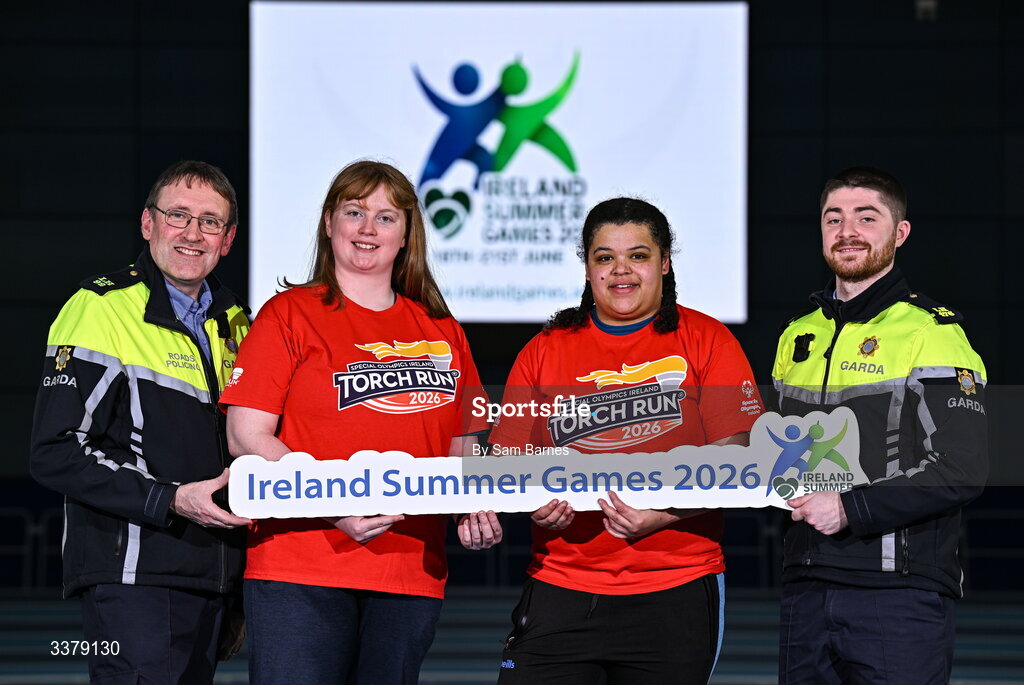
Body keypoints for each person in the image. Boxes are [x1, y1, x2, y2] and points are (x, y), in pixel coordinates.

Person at [220, 160, 502, 684]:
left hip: (410, 568)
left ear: (406, 234)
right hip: (300, 563)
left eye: (385, 217)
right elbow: (245, 436)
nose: (368, 228)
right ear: (330, 224)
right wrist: (334, 503)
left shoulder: (443, 331)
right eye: (354, 212)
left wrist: (475, 505)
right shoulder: (288, 314)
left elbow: (465, 444)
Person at [490, 197, 763, 684]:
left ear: (664, 262)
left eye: (637, 255)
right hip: (560, 588)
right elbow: (509, 460)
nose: (621, 271)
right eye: (604, 257)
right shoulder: (543, 349)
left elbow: (741, 456)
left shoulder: (709, 340)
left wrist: (666, 513)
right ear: (588, 268)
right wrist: (532, 501)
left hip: (675, 588)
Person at [30, 160, 252, 684]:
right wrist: (170, 499)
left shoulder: (238, 322)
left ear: (228, 239)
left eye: (210, 222)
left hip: (213, 579)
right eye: (178, 215)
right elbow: (54, 450)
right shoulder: (100, 307)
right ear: (148, 224)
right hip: (134, 579)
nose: (193, 233)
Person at [772, 166, 988, 684]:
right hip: (805, 586)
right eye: (834, 218)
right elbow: (775, 454)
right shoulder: (797, 335)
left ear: (900, 233)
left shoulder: (932, 331)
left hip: (900, 594)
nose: (847, 231)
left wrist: (848, 507)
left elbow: (962, 468)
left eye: (866, 218)